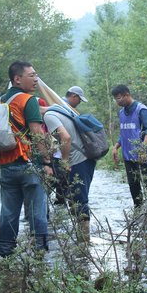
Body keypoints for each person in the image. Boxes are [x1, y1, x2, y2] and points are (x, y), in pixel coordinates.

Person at [0, 61, 52, 257]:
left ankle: (6, 253)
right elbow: (37, 133)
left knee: (9, 212)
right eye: (31, 75)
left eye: (36, 75)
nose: (36, 79)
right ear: (17, 79)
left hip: (7, 167)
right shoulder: (29, 100)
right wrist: (47, 162)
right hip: (30, 165)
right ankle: (39, 254)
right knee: (37, 211)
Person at [43, 100, 96, 237]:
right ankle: (82, 237)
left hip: (79, 160)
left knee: (79, 200)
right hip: (85, 158)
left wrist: (65, 162)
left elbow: (66, 138)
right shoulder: (57, 108)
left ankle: (84, 240)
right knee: (76, 199)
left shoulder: (49, 116)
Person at [111, 85, 147, 207]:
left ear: (127, 94)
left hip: (144, 154)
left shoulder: (142, 110)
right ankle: (139, 211)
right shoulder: (121, 113)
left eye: (119, 98)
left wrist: (143, 149)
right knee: (133, 185)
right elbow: (124, 133)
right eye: (115, 99)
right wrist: (116, 147)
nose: (117, 101)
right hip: (128, 156)